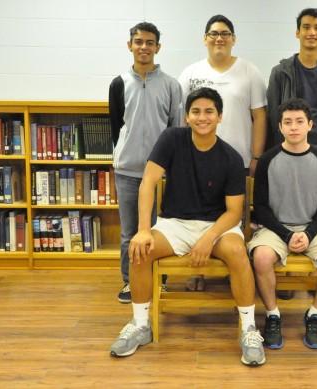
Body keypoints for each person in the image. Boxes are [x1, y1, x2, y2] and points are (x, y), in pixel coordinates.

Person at [110, 87, 266, 366]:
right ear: (187, 116)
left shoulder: (231, 157)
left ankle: (249, 329)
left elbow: (234, 213)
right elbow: (148, 182)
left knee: (238, 253)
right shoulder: (171, 139)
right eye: (196, 111)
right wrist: (144, 229)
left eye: (209, 112)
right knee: (140, 249)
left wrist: (208, 238)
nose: (202, 117)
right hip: (175, 223)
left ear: (220, 117)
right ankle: (141, 325)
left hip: (218, 225)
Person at [248, 98, 317, 350]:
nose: (294, 127)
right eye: (288, 122)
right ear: (280, 127)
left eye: (299, 122)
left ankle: (314, 314)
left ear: (310, 125)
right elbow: (260, 207)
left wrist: (308, 232)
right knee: (260, 257)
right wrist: (285, 235)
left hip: (311, 228)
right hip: (275, 228)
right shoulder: (268, 160)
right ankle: (273, 316)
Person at [178, 14, 267, 291]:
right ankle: (198, 271)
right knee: (198, 216)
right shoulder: (190, 73)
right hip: (197, 160)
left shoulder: (249, 71)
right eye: (214, 33)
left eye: (225, 33)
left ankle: (235, 269)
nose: (220, 38)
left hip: (237, 161)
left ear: (234, 39)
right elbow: (183, 118)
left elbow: (260, 116)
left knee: (235, 218)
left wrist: (255, 156)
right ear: (205, 39)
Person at [109, 22, 183, 303]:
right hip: (128, 172)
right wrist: (122, 158)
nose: (144, 47)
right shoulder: (118, 83)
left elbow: (176, 130)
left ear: (158, 47)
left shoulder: (171, 85)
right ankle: (130, 282)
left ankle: (159, 281)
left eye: (149, 42)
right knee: (130, 232)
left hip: (161, 174)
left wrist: (172, 170)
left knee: (159, 232)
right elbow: (117, 127)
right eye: (138, 42)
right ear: (130, 45)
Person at [266, 8, 317, 169]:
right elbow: (274, 117)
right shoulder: (280, 72)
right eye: (306, 27)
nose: (312, 32)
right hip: (289, 153)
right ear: (297, 32)